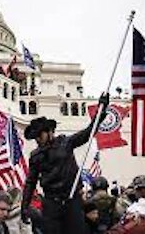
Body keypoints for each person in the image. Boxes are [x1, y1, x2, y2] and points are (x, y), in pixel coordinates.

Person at [21, 93, 109, 234]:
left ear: (49, 132)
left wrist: (100, 112)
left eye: (39, 135)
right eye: (35, 136)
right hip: (51, 204)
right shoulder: (36, 156)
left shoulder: (65, 143)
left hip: (71, 200)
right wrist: (24, 206)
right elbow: (30, 182)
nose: (37, 139)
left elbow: (87, 133)